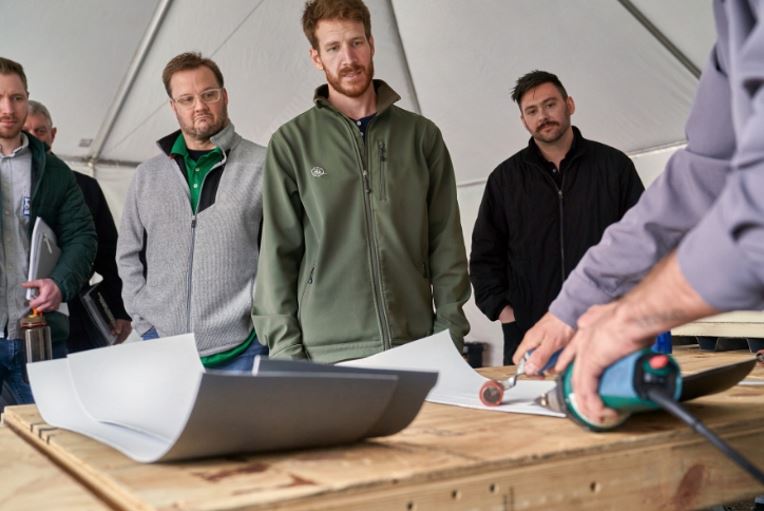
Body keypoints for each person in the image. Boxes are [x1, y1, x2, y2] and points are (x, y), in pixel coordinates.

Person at [515, 0, 764, 427]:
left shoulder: (611, 165)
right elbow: (703, 171)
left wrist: (632, 315)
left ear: (569, 104)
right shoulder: (737, 21)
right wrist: (571, 306)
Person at [252, 0, 470, 363]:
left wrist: (448, 335)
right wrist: (288, 354)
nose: (348, 58)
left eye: (356, 43)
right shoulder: (292, 143)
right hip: (326, 355)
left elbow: (446, 243)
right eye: (333, 48)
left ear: (371, 44)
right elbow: (276, 256)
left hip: (414, 346)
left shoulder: (421, 136)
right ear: (316, 57)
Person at [469, 70, 643, 364]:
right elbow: (485, 256)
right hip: (532, 335)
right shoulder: (505, 180)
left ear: (569, 105)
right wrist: (507, 314)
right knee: (529, 410)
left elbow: (641, 243)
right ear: (523, 121)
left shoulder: (615, 168)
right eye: (532, 111)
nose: (543, 116)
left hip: (605, 331)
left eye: (550, 105)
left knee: (607, 408)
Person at [117, 52, 267, 372]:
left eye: (208, 94)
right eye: (186, 98)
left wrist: (259, 319)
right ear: (173, 107)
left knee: (239, 425)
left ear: (224, 96)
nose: (199, 106)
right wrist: (145, 322)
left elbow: (281, 255)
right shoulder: (147, 176)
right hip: (163, 351)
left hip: (242, 350)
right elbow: (127, 255)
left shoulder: (264, 166)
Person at [0, 57, 96, 403]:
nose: (8, 108)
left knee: (47, 441)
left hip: (38, 334)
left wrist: (59, 283)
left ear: (27, 99)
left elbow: (82, 236)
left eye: (17, 98)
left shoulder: (53, 169)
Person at [24, 100, 131, 351]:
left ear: (53, 134)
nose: (35, 138)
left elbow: (108, 252)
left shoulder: (84, 186)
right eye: (27, 132)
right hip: (17, 315)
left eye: (40, 130)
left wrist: (119, 309)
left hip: (76, 314)